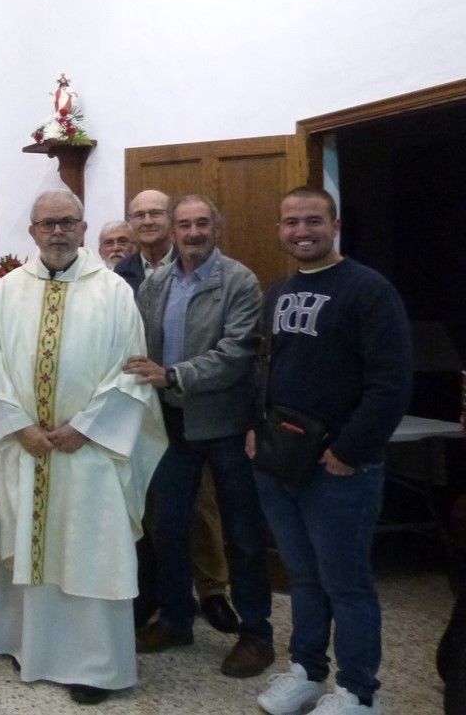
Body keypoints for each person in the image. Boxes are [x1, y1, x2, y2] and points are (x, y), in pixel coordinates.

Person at [0, 189, 167, 706]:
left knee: (90, 550)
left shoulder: (114, 292)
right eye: (47, 223)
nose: (57, 232)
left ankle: (96, 666)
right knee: (29, 546)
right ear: (31, 231)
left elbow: (131, 370)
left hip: (91, 451)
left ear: (82, 227)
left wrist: (86, 428)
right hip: (26, 447)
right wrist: (20, 426)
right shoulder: (6, 291)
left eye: (67, 223)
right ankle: (26, 646)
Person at [251, 187, 412, 715]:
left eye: (313, 221)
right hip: (282, 459)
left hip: (340, 467)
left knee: (346, 582)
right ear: (280, 229)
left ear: (335, 224)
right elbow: (266, 368)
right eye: (291, 222)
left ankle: (359, 690)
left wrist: (349, 449)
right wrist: (257, 427)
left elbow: (390, 383)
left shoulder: (368, 290)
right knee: (303, 575)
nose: (302, 231)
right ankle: (306, 671)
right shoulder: (277, 293)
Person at [125, 195, 275, 678]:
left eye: (201, 223)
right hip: (172, 425)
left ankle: (256, 634)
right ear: (173, 229)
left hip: (226, 425)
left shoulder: (239, 281)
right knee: (167, 527)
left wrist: (172, 375)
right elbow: (141, 347)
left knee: (242, 533)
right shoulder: (157, 284)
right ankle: (175, 618)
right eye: (184, 224)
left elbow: (236, 352)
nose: (192, 232)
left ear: (218, 226)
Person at [117, 188, 235, 634]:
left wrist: (174, 374)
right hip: (145, 400)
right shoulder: (121, 273)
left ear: (170, 220)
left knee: (200, 503)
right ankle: (161, 593)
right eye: (138, 215)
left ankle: (213, 590)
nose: (147, 221)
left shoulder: (201, 267)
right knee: (154, 506)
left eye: (155, 213)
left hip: (194, 402)